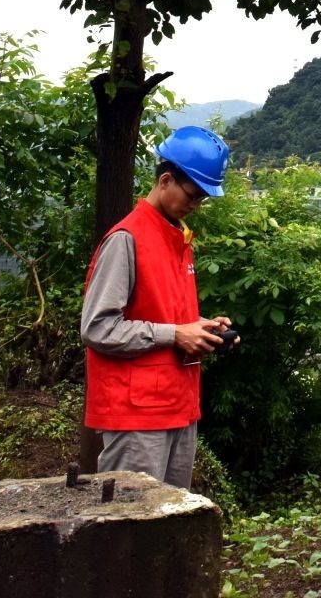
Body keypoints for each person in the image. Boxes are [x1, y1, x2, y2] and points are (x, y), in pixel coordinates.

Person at [80, 126, 235, 488]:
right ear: (165, 180)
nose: (196, 206)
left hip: (177, 405)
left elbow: (166, 315)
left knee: (169, 527)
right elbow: (98, 327)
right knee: (130, 530)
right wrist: (177, 334)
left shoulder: (177, 238)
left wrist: (202, 328)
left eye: (202, 200)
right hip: (137, 414)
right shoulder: (127, 239)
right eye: (193, 195)